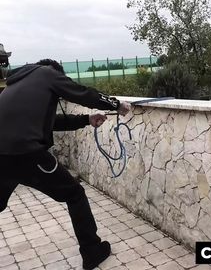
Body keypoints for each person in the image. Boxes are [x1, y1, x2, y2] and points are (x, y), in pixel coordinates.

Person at [0, 56, 131, 270]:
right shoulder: (47, 73)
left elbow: (49, 123)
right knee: (75, 194)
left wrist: (86, 120)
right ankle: (92, 251)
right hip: (27, 153)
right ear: (57, 73)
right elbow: (83, 93)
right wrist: (116, 105)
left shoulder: (16, 84)